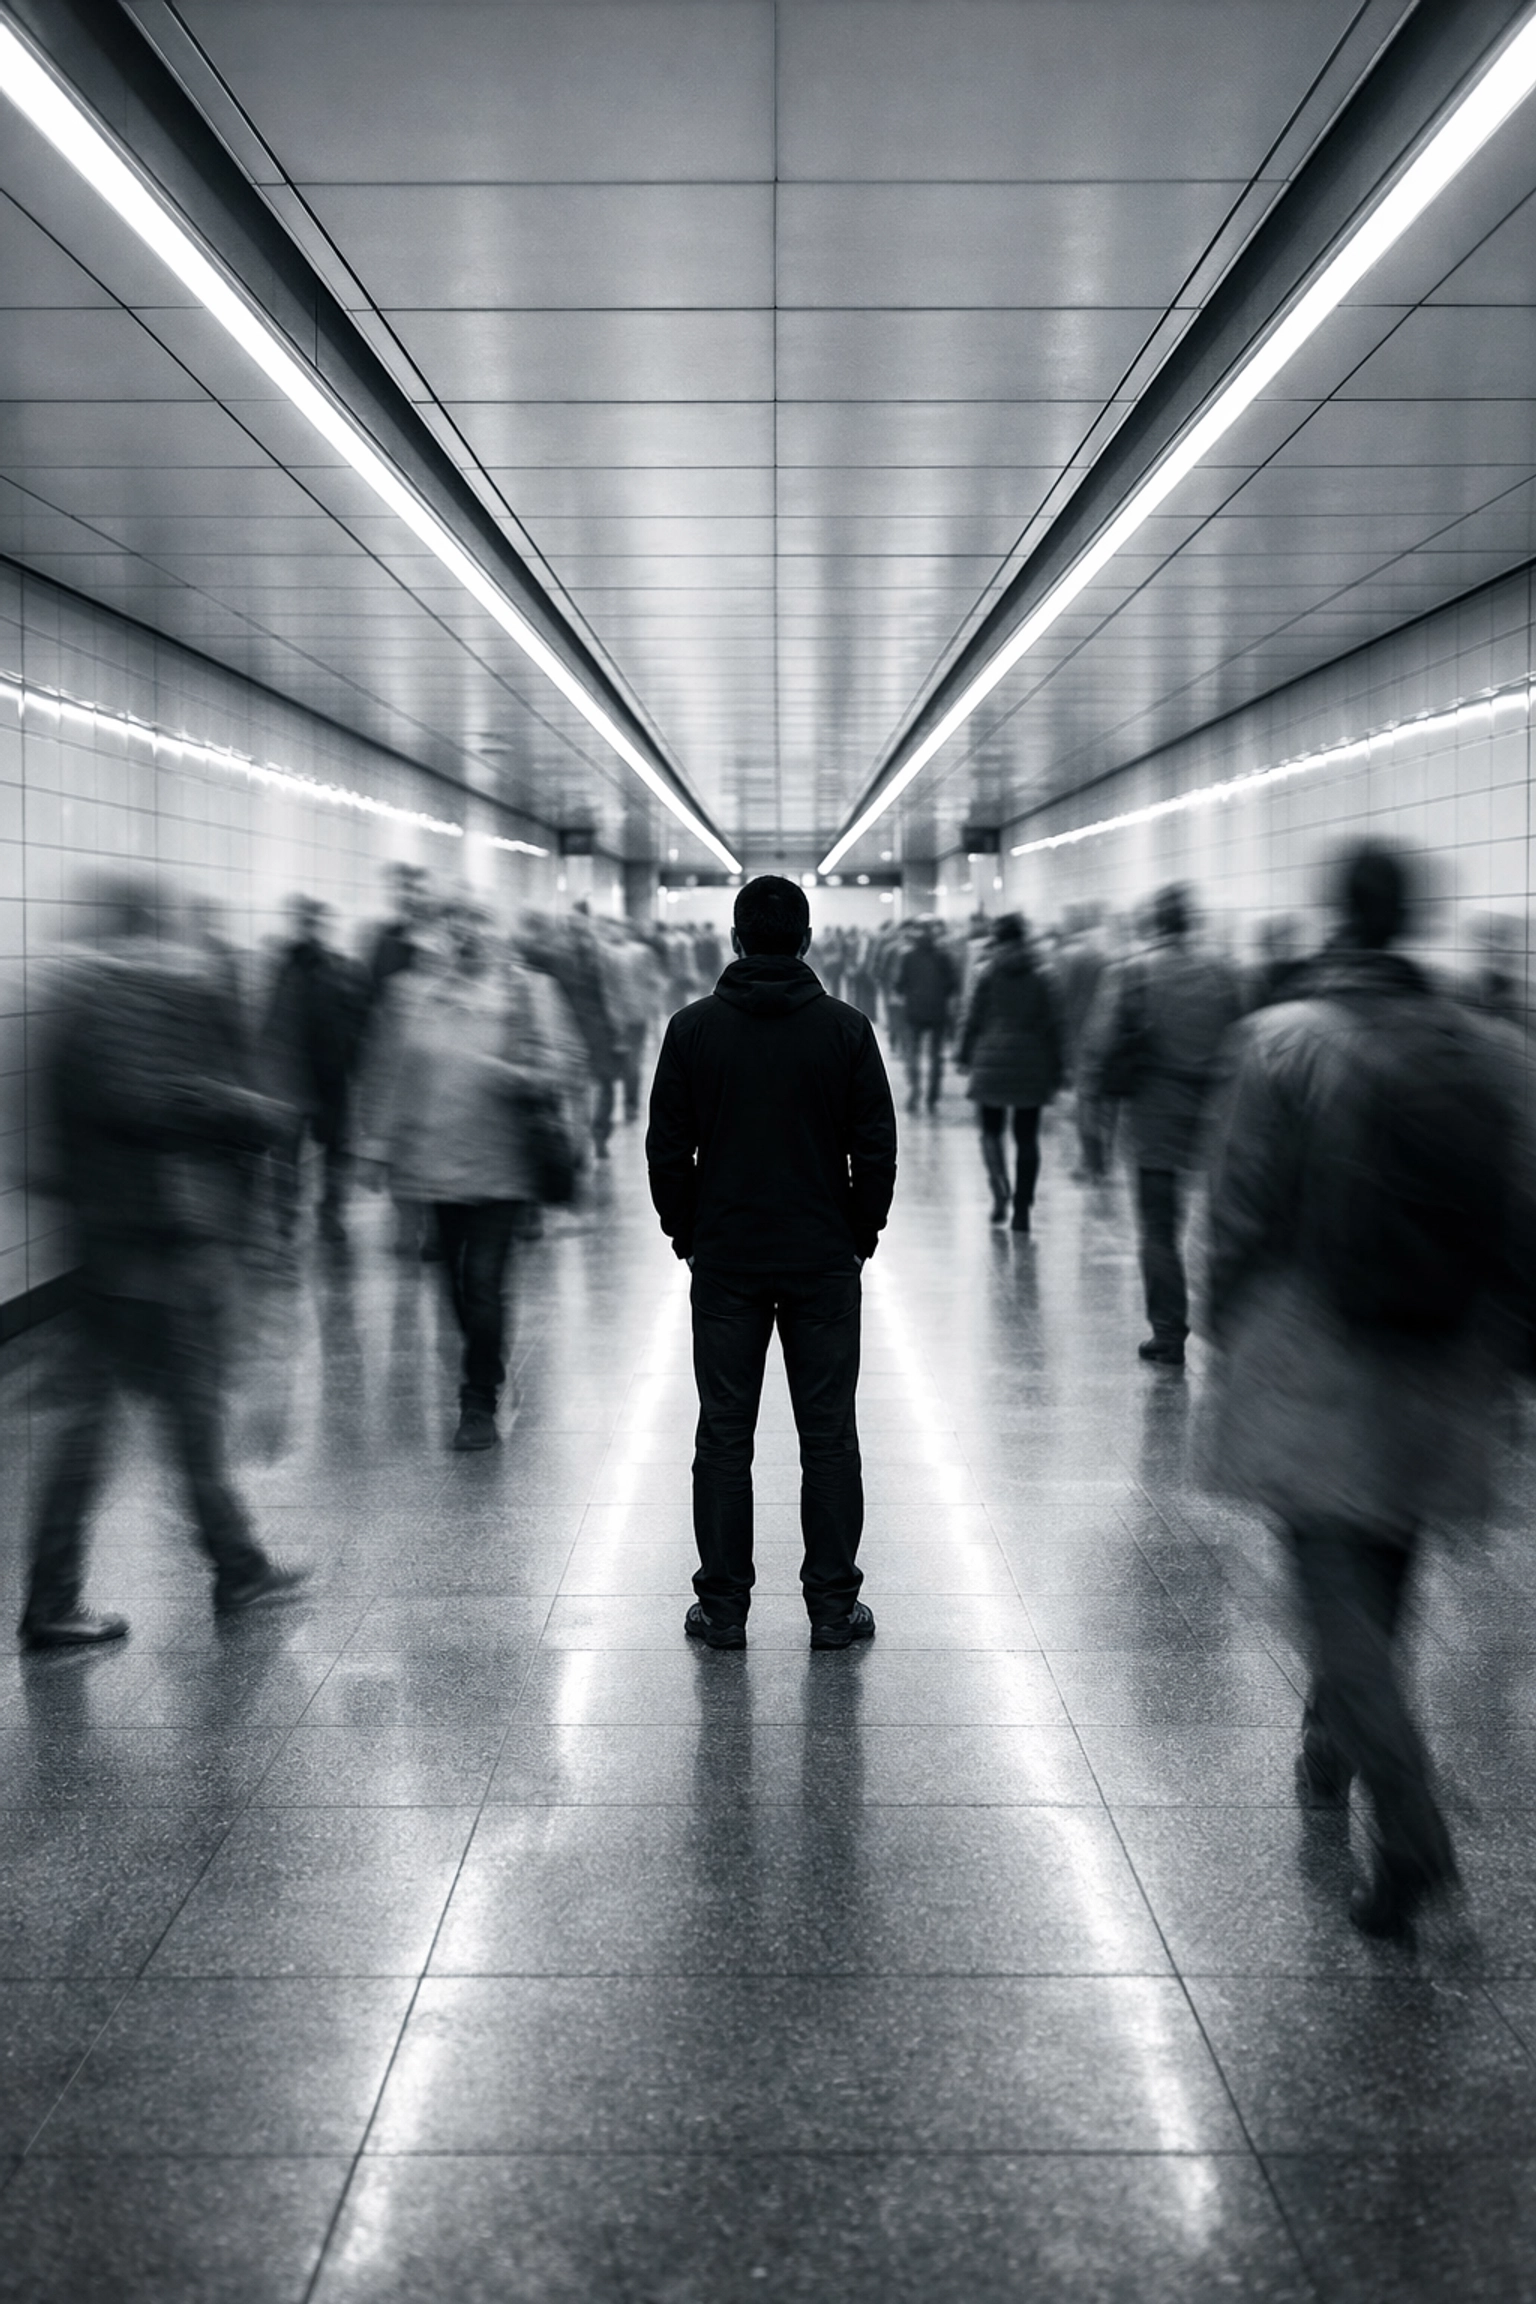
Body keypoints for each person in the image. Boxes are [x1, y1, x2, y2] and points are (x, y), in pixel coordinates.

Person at [1202, 841, 1533, 1938]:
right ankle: (1328, 1741)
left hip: (1315, 1353)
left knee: (1330, 1592)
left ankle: (1415, 1838)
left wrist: (1219, 1325)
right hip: (1445, 1360)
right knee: (1386, 1563)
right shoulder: (1492, 1049)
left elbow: (1241, 1207)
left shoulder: (1283, 1043)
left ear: (1336, 918)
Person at [19, 878, 307, 1647]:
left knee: (154, 1421)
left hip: (110, 1241)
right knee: (157, 1419)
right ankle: (216, 1570)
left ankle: (231, 1563)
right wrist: (251, 1114)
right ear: (140, 932)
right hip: (147, 1247)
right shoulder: (115, 1000)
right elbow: (154, 1097)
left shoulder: (75, 1000)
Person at [646, 874, 898, 1650]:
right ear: (808, 941)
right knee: (828, 1435)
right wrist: (859, 1232)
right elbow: (876, 1149)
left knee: (724, 1434)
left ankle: (723, 1608)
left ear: (735, 939)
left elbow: (666, 1149)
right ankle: (830, 1608)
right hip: (822, 1258)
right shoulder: (847, 1030)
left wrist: (687, 1231)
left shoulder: (692, 1031)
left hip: (726, 1259)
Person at [361, 899, 571, 1451]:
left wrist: (509, 1074)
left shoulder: (525, 993)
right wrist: (377, 1145)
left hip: (501, 1166)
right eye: (456, 931)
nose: (467, 939)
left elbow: (557, 1068)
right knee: (452, 1284)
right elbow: (387, 1072)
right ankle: (485, 1359)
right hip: (433, 1167)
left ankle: (477, 1398)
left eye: (477, 927)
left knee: (482, 1282)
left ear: (494, 935)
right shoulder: (410, 996)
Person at [1086, 883, 1241, 1365]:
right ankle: (1228, 1326)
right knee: (1223, 1224)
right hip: (1216, 1112)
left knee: (1159, 1228)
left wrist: (1096, 1120)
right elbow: (1245, 1039)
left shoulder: (1133, 973)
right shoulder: (1222, 973)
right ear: (1189, 922)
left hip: (1154, 1115)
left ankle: (1168, 1332)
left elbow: (1103, 1044)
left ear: (1156, 922)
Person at [261, 895, 367, 1246]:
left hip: (329, 1078)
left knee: (335, 1151)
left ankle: (329, 1213)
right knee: (287, 1157)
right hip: (290, 1078)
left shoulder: (340, 968)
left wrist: (354, 1071)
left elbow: (354, 1026)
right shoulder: (280, 967)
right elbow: (269, 1025)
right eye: (304, 920)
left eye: (314, 921)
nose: (309, 927)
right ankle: (287, 1217)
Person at [956, 914, 1064, 1231]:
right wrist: (1058, 1069)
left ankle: (999, 1190)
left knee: (990, 1132)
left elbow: (972, 1018)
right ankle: (1022, 1207)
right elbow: (1053, 1027)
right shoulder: (1044, 976)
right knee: (1026, 1137)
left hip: (991, 1062)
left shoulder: (985, 973)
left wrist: (963, 1054)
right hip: (1031, 1065)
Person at [895, 917, 960, 1114]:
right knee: (935, 1055)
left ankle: (915, 1089)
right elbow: (952, 985)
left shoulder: (908, 956)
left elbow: (899, 984)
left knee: (913, 1053)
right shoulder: (944, 957)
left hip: (914, 1010)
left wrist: (909, 993)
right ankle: (933, 1096)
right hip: (938, 1012)